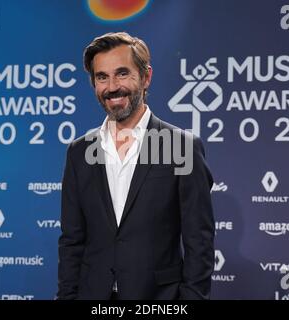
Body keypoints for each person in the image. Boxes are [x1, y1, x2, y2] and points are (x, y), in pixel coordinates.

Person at [56, 32, 214, 300]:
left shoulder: (182, 147)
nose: (112, 87)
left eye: (122, 73)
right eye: (102, 77)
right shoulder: (79, 152)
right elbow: (72, 242)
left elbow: (199, 242)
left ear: (145, 77)